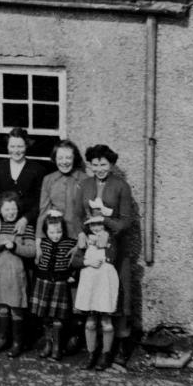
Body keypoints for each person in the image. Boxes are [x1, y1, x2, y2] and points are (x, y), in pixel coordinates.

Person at [74, 144, 139, 367]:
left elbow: (126, 221)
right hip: (92, 248)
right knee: (93, 297)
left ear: (111, 165)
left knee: (118, 296)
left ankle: (117, 349)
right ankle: (92, 351)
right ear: (90, 165)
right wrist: (81, 235)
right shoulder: (84, 185)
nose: (99, 168)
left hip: (115, 250)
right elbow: (76, 216)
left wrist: (105, 223)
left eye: (104, 164)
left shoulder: (121, 186)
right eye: (95, 164)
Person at [0, 192, 36, 358]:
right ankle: (2, 339)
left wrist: (15, 246)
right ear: (0, 210)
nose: (10, 212)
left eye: (13, 209)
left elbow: (32, 250)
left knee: (16, 307)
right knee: (2, 306)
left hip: (16, 274)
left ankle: (17, 343)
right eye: (7, 209)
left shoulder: (25, 227)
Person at [30, 211, 80, 361]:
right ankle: (48, 345)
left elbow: (76, 261)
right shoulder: (43, 243)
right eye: (52, 232)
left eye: (59, 231)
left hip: (60, 283)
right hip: (44, 283)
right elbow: (37, 263)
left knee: (58, 316)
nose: (55, 235)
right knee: (46, 317)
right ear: (46, 232)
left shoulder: (69, 243)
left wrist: (73, 276)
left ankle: (57, 348)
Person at [75, 211, 120, 370]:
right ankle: (91, 353)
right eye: (93, 224)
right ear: (88, 226)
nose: (96, 227)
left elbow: (113, 257)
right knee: (91, 322)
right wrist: (87, 261)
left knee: (106, 322)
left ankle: (105, 354)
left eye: (99, 224)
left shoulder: (110, 239)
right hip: (90, 282)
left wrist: (102, 243)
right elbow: (75, 260)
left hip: (104, 282)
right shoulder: (83, 240)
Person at [0, 128, 49, 231]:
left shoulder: (37, 170)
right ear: (7, 146)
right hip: (2, 223)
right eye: (12, 146)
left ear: (26, 146)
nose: (16, 150)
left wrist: (26, 219)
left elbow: (40, 201)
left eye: (20, 146)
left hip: (28, 224)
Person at [36, 140, 86, 240]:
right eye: (60, 158)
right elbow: (44, 212)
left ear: (74, 158)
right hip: (55, 236)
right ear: (55, 159)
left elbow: (89, 214)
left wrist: (80, 243)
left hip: (78, 236)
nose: (64, 162)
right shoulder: (48, 179)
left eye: (68, 158)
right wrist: (38, 239)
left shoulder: (85, 180)